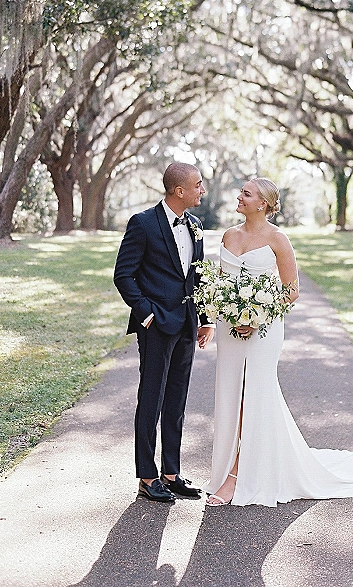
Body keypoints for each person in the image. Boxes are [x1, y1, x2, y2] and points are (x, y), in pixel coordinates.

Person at [203, 177, 353, 507]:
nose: (239, 196)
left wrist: (254, 317)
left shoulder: (277, 239)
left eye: (246, 193)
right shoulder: (229, 235)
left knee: (253, 394)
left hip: (264, 328)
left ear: (262, 203)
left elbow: (291, 291)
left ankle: (236, 475)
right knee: (231, 393)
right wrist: (227, 314)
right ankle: (236, 467)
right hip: (229, 328)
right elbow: (220, 283)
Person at [114, 162, 213, 502]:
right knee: (152, 399)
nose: (203, 190)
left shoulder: (196, 225)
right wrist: (147, 315)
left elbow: (198, 276)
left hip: (186, 325)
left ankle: (171, 473)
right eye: (198, 185)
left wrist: (205, 319)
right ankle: (147, 476)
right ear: (179, 191)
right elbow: (123, 275)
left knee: (176, 401)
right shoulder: (142, 224)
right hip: (156, 326)